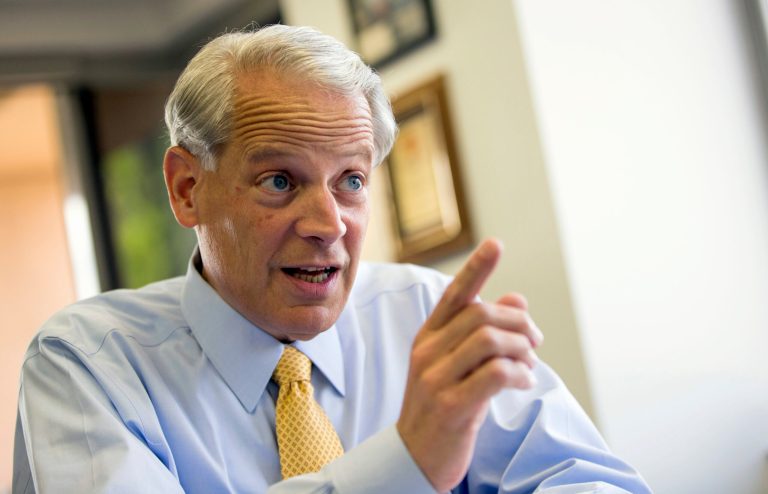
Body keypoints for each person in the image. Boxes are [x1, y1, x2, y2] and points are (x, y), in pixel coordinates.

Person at [13, 25, 651, 493]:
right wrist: (406, 463)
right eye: (279, 181)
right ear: (187, 190)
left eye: (351, 180)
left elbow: (592, 481)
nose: (328, 225)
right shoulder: (88, 365)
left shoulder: (426, 315)